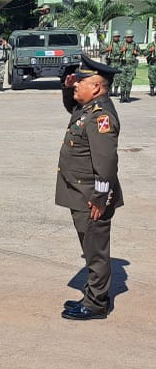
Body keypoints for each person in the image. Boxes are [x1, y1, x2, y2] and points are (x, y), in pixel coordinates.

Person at [57, 55, 123, 320]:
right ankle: (91, 296)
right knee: (91, 247)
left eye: (81, 82)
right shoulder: (88, 109)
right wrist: (66, 87)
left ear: (95, 87)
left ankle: (96, 304)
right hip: (82, 194)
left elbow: (106, 162)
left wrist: (100, 197)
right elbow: (71, 108)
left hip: (91, 197)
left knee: (96, 250)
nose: (76, 85)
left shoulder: (101, 116)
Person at [117, 30, 139, 103]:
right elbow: (115, 53)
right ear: (125, 37)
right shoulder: (121, 44)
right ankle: (122, 97)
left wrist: (136, 53)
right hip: (123, 65)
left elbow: (140, 52)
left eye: (131, 37)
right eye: (128, 37)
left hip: (131, 65)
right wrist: (121, 51)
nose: (129, 38)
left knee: (129, 82)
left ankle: (127, 96)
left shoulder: (135, 44)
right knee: (122, 81)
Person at [101, 32, 122, 97]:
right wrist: (107, 49)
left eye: (118, 36)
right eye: (115, 36)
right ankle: (109, 91)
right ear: (113, 37)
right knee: (110, 78)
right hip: (110, 62)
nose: (116, 38)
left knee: (117, 78)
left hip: (118, 62)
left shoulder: (121, 44)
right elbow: (101, 51)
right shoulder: (108, 43)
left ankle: (116, 91)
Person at [145, 32, 156, 96]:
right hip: (152, 63)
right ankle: (152, 90)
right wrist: (150, 50)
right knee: (152, 77)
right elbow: (144, 53)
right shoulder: (150, 45)